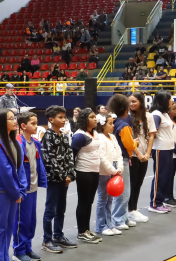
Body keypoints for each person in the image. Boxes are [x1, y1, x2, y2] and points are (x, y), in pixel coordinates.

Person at [0, 108, 26, 261]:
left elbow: (20, 168)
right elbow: (5, 171)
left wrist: (21, 190)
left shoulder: (14, 141)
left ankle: (5, 258)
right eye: (10, 118)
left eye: (14, 117)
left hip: (15, 190)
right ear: (2, 122)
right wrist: (16, 192)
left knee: (10, 225)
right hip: (4, 190)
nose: (14, 120)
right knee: (1, 225)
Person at [12, 111, 47, 261]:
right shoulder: (18, 143)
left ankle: (28, 247)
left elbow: (38, 165)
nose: (36, 126)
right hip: (23, 188)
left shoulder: (36, 143)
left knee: (31, 220)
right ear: (23, 126)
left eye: (36, 122)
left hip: (33, 187)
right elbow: (16, 167)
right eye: (33, 123)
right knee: (21, 220)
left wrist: (42, 180)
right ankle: (18, 250)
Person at [40, 105, 76, 252]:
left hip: (64, 180)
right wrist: (62, 176)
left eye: (64, 117)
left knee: (61, 209)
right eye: (60, 117)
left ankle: (58, 235)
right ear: (51, 119)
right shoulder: (48, 137)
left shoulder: (63, 136)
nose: (63, 120)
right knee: (51, 210)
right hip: (54, 179)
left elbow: (69, 157)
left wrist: (70, 174)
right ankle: (47, 240)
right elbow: (49, 160)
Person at [70, 109, 102, 244]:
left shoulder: (94, 133)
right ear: (85, 119)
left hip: (95, 171)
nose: (95, 119)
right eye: (92, 117)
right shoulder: (80, 136)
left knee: (89, 202)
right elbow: (71, 155)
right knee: (83, 202)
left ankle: (87, 229)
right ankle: (81, 232)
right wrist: (70, 172)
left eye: (95, 116)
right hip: (84, 172)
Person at [107, 94, 135, 231]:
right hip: (122, 159)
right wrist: (136, 143)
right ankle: (118, 218)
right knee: (124, 192)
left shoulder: (116, 122)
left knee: (124, 191)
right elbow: (130, 145)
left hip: (117, 158)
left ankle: (123, 217)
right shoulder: (124, 126)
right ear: (126, 109)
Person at [94, 114, 123, 236]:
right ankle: (100, 226)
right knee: (103, 198)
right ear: (103, 125)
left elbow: (119, 153)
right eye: (110, 123)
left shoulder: (112, 136)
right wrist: (112, 169)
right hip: (105, 171)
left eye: (113, 123)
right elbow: (102, 157)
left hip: (114, 169)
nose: (113, 125)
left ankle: (109, 223)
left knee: (110, 198)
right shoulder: (99, 137)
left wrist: (119, 168)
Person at [126, 92, 154, 222]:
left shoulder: (148, 116)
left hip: (144, 154)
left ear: (141, 102)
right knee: (131, 183)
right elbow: (129, 138)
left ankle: (133, 209)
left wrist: (148, 153)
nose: (131, 104)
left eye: (134, 101)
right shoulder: (127, 117)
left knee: (139, 182)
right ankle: (130, 210)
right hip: (133, 154)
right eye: (130, 101)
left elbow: (151, 135)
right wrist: (138, 154)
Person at [147, 91, 176, 214]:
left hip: (168, 148)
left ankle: (160, 200)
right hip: (160, 149)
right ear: (164, 101)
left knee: (166, 176)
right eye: (170, 99)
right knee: (160, 176)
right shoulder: (156, 114)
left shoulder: (165, 114)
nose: (171, 101)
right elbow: (152, 133)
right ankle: (154, 203)